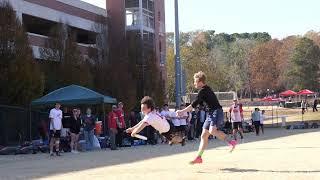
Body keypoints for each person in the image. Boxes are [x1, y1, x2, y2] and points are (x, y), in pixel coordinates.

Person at [176, 71, 237, 164]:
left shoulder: (204, 90)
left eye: (195, 81)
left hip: (216, 111)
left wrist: (182, 111)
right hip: (210, 114)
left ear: (200, 82)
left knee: (212, 131)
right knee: (204, 135)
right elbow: (199, 104)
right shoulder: (204, 91)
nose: (194, 83)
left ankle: (231, 142)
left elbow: (193, 104)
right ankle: (199, 157)